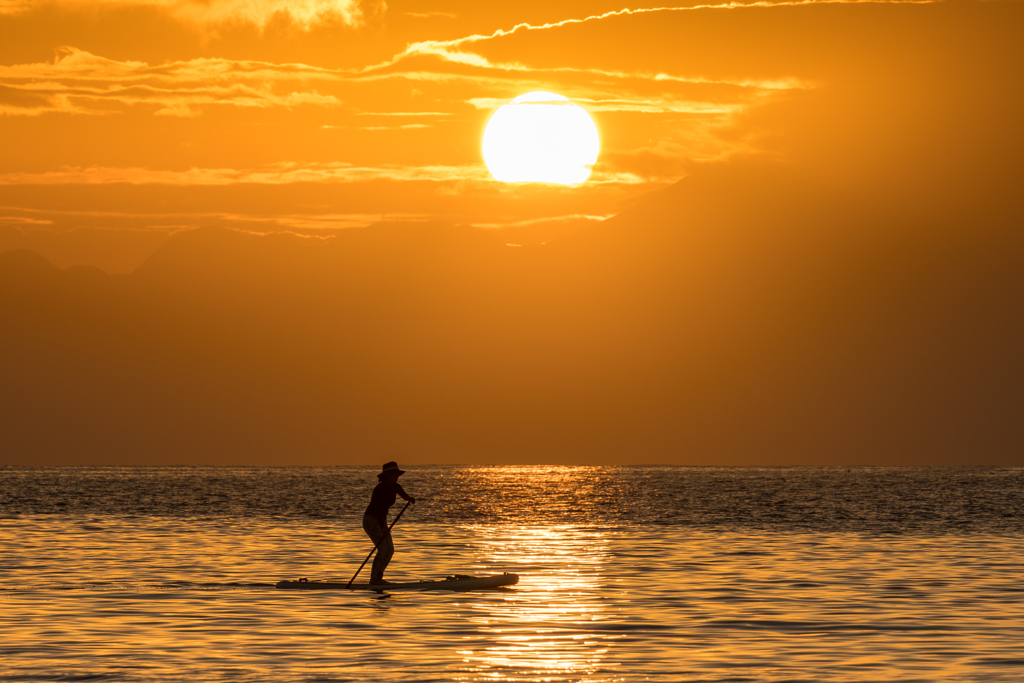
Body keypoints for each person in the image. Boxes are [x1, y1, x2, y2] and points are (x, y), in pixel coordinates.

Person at [363, 461, 416, 584]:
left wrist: (409, 499)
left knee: (390, 550)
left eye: (397, 475)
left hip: (382, 520)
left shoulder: (396, 487)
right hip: (371, 520)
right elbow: (377, 510)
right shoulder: (379, 490)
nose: (396, 477)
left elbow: (403, 495)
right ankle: (374, 579)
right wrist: (383, 527)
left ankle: (379, 577)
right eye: (393, 475)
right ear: (387, 476)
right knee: (382, 549)